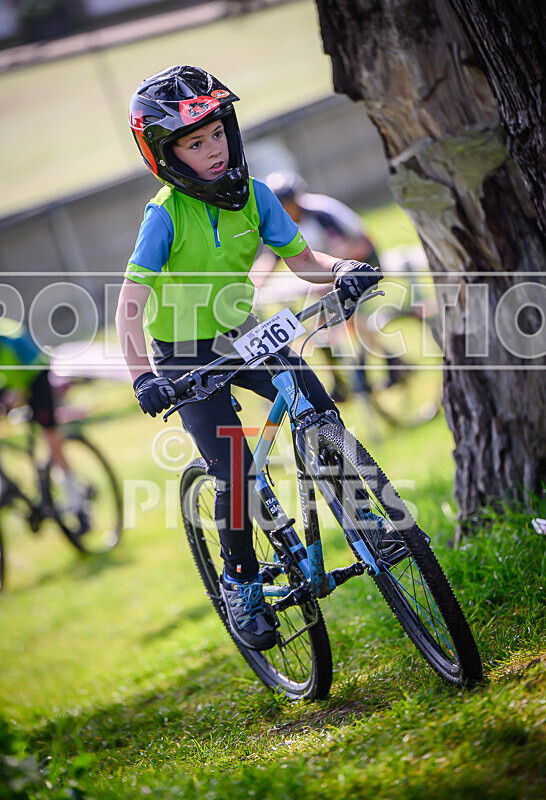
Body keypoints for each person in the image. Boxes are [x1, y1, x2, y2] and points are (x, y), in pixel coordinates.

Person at [116, 65, 382, 652]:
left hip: (241, 333)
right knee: (233, 470)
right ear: (165, 154)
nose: (211, 150)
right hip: (184, 357)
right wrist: (143, 379)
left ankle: (370, 526)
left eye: (216, 135)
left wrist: (345, 272)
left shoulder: (257, 196)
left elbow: (306, 262)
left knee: (315, 403)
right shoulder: (164, 215)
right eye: (193, 142)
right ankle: (242, 582)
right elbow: (129, 306)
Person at [253, 171, 382, 401]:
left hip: (361, 259)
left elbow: (352, 245)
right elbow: (270, 260)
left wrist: (326, 278)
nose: (286, 210)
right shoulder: (283, 224)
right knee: (318, 325)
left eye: (288, 204)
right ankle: (338, 380)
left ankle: (388, 355)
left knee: (346, 317)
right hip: (331, 270)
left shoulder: (319, 213)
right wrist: (251, 285)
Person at [0, 318, 79, 508]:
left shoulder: (11, 336)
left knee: (50, 435)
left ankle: (75, 497)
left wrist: (18, 391)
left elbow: (35, 363)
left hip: (36, 375)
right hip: (9, 383)